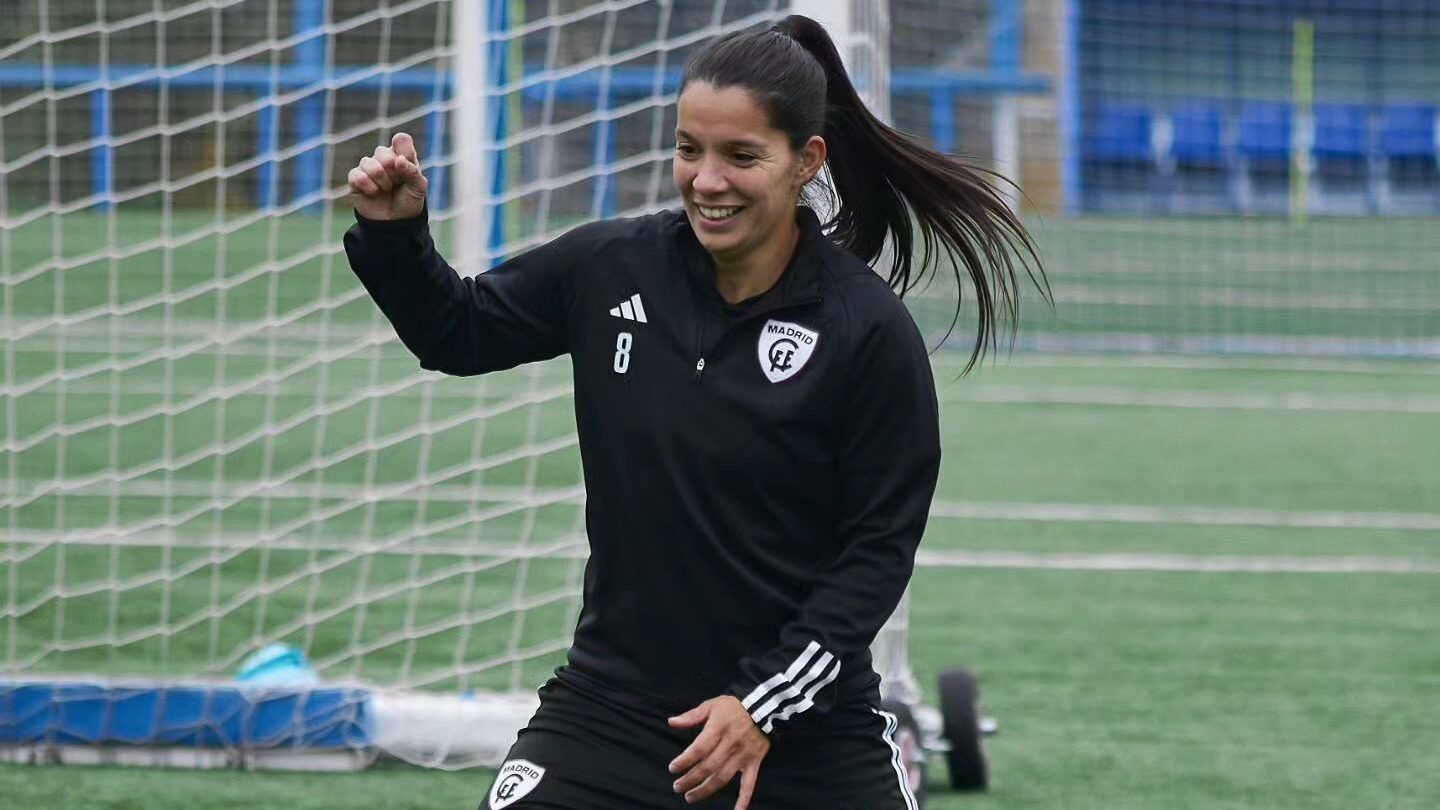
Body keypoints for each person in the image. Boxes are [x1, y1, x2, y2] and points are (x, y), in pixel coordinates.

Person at [343, 14, 1045, 810]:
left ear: (804, 162)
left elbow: (875, 554)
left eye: (741, 156)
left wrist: (762, 707)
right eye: (689, 150)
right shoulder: (613, 267)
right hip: (612, 711)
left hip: (805, 735)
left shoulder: (866, 330)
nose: (707, 180)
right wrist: (396, 235)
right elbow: (457, 331)